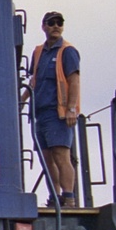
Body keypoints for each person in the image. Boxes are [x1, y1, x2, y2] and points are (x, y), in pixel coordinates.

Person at [22, 11, 81, 207]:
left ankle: (69, 198)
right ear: (43, 26)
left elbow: (74, 81)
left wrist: (71, 109)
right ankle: (55, 197)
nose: (56, 26)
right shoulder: (39, 52)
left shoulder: (67, 51)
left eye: (59, 23)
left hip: (59, 113)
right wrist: (21, 100)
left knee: (61, 155)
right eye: (51, 23)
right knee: (47, 158)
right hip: (40, 112)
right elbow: (34, 80)